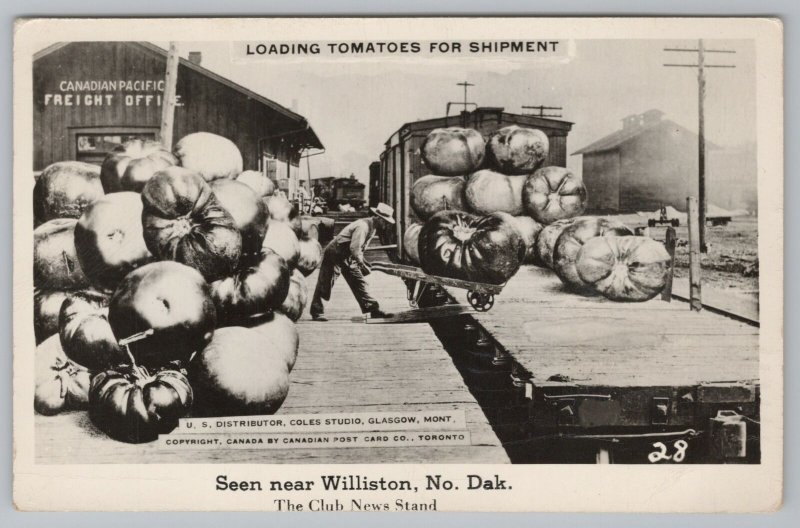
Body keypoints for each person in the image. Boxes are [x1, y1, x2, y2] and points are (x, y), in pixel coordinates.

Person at [310, 202, 395, 321]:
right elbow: (355, 248)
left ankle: (373, 309)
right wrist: (361, 264)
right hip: (335, 253)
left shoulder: (373, 228)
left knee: (359, 282)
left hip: (348, 256)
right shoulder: (363, 226)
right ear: (377, 217)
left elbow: (360, 248)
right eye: (384, 221)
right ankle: (317, 311)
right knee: (326, 282)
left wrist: (364, 261)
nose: (385, 225)